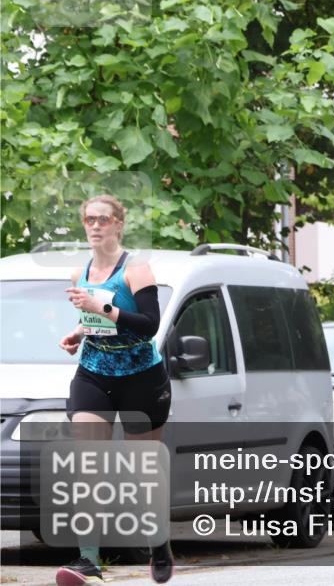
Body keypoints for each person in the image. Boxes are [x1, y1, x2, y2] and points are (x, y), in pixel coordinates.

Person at [56, 195, 174, 585]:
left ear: (119, 224)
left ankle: (159, 546)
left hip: (141, 377)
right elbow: (94, 321)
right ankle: (87, 560)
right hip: (94, 374)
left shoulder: (135, 270)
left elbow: (149, 324)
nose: (95, 225)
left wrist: (100, 307)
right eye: (89, 218)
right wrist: (76, 332)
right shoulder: (81, 272)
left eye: (103, 219)